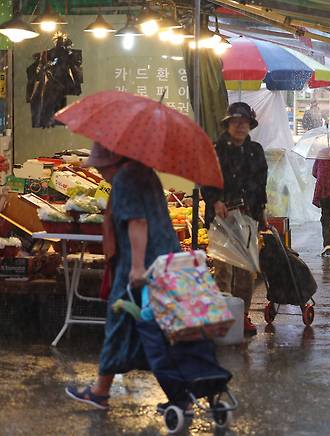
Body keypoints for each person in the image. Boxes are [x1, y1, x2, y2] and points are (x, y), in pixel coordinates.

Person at [66, 143, 181, 409]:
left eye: (101, 166)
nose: (99, 171)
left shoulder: (127, 177)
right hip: (162, 259)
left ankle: (101, 391)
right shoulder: (143, 171)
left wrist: (137, 267)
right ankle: (175, 398)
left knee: (124, 321)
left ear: (112, 163)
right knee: (155, 330)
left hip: (140, 264)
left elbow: (137, 222)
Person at [201, 102, 268, 336]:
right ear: (228, 124)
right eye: (235, 121)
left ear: (250, 125)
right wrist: (215, 200)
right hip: (221, 218)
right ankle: (222, 314)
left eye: (244, 122)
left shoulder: (256, 151)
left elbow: (261, 186)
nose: (240, 126)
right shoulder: (215, 150)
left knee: (245, 271)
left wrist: (260, 214)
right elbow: (205, 180)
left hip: (248, 217)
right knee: (222, 270)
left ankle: (243, 315)